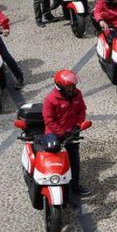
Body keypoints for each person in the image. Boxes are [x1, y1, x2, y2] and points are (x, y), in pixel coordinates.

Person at [42, 70, 89, 198]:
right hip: (54, 132)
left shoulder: (77, 94)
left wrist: (78, 125)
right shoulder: (50, 99)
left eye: (72, 86)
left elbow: (82, 111)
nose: (71, 89)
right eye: (68, 87)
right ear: (60, 87)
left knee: (74, 159)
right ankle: (50, 182)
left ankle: (75, 186)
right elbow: (48, 120)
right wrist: (61, 132)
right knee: (53, 152)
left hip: (72, 131)